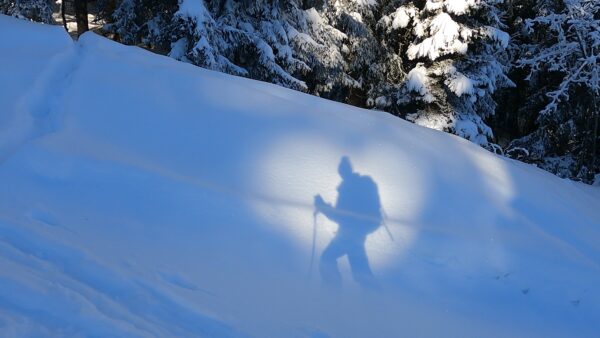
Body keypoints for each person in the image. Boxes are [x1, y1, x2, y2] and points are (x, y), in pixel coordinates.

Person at [314, 156, 382, 288]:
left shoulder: (347, 188)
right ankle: (374, 298)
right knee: (360, 270)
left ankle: (332, 295)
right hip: (359, 231)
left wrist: (322, 206)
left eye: (341, 170)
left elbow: (341, 217)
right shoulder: (363, 184)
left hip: (350, 233)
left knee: (327, 258)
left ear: (342, 171)